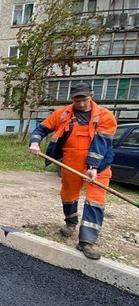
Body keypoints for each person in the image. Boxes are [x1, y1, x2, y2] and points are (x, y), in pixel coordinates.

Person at [28, 82, 117, 260]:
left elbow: (100, 145)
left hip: (99, 166)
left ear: (91, 95)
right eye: (77, 100)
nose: (81, 104)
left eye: (84, 100)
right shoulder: (63, 114)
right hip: (71, 164)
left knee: (95, 201)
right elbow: (41, 129)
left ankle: (87, 242)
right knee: (68, 195)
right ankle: (70, 223)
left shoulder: (105, 116)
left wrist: (92, 167)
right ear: (72, 99)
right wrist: (35, 142)